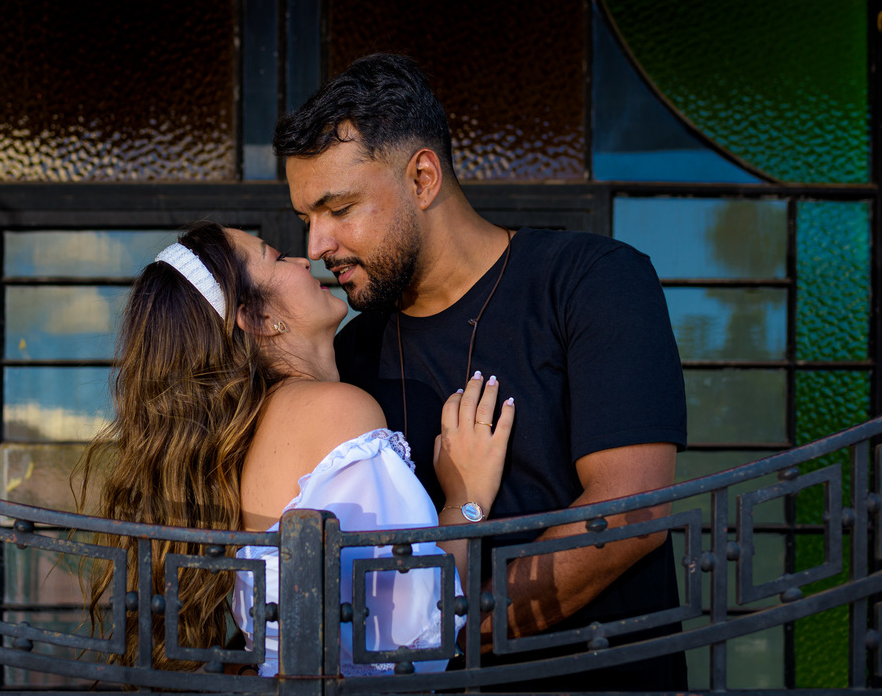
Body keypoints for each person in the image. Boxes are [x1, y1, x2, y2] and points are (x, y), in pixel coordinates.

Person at [274, 53, 688, 690]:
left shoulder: (592, 279)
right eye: (307, 219)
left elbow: (631, 513)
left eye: (339, 208)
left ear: (422, 179)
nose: (316, 247)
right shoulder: (350, 360)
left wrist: (448, 633)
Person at [75, 221, 513, 676]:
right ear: (259, 319)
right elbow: (408, 640)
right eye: (278, 258)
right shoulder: (335, 411)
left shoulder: (250, 433)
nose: (305, 258)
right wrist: (466, 500)